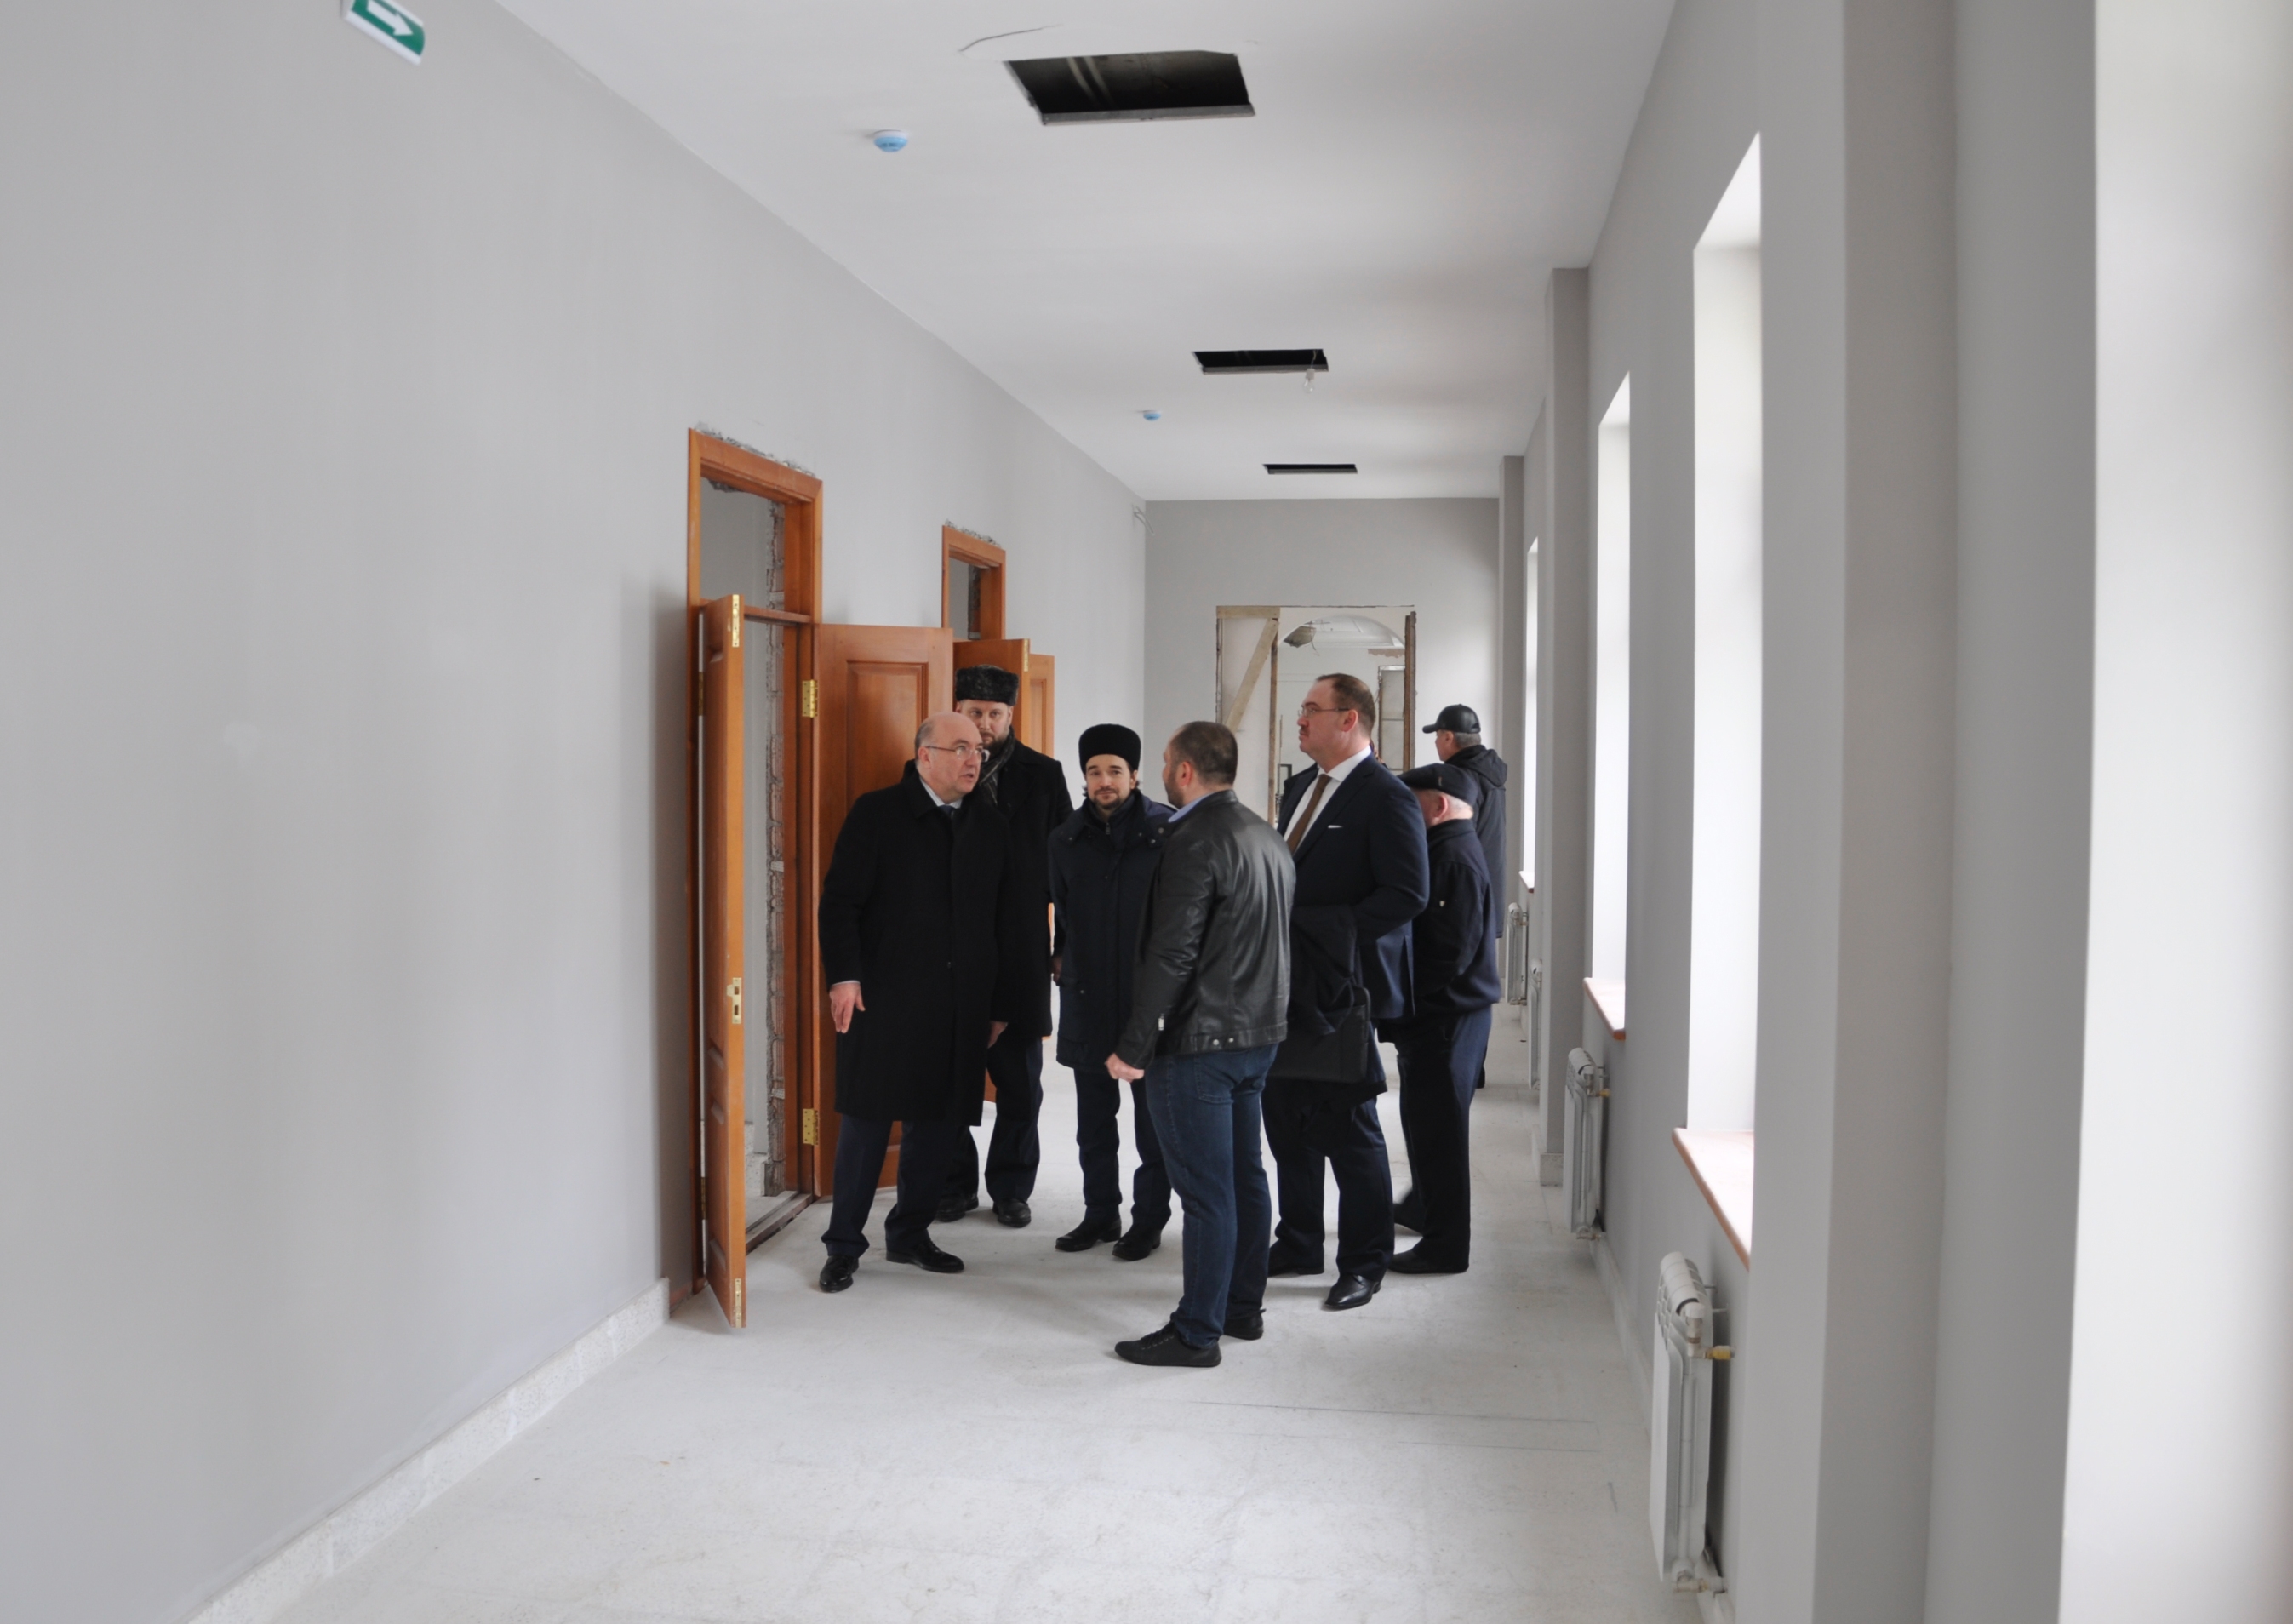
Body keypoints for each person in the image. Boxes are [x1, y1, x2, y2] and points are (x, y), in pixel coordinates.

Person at [814, 712, 1026, 1293]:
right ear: (924, 756)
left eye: (978, 749)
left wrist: (1000, 1004)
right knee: (866, 1126)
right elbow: (840, 904)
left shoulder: (990, 825)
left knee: (938, 1126)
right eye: (960, 748)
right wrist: (844, 978)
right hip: (881, 999)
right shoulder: (877, 813)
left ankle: (909, 1235)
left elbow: (1008, 921)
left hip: (960, 1004)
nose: (974, 758)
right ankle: (842, 1246)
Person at [1106, 721, 1293, 1366]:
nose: (1162, 772)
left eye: (1165, 762)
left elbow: (1173, 952)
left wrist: (1135, 1044)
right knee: (1244, 1177)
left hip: (1200, 1045)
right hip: (1257, 1036)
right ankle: (1241, 1308)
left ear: (1184, 771)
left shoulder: (1192, 840)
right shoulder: (1265, 835)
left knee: (1207, 1193)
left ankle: (1196, 1333)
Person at [1267, 674, 1430, 1312]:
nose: (1300, 719)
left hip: (1340, 984)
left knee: (1349, 1125)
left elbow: (1407, 894)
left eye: (1312, 709)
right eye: (1302, 708)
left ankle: (1364, 1262)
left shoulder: (1386, 796)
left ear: (1349, 720)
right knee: (1286, 1115)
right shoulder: (1300, 787)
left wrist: (1330, 932)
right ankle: (1298, 1241)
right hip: (1286, 980)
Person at [939, 664, 1074, 1229]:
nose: (985, 723)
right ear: (957, 712)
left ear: (1011, 715)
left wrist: (1065, 945)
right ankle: (953, 1185)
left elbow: (1070, 871)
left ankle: (1013, 1188)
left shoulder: (1044, 775)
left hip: (1021, 951)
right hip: (951, 954)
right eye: (974, 712)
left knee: (1020, 1084)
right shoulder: (934, 770)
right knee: (950, 1079)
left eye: (994, 714)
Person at [1047, 723, 1175, 1257]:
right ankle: (1100, 1214)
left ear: (1135, 775)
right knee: (1093, 1123)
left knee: (1153, 1124)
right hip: (1088, 997)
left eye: (1115, 771)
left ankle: (1148, 1220)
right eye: (1095, 771)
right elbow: (1064, 915)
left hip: (1148, 1002)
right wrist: (1062, 959)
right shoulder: (1065, 839)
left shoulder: (1166, 832)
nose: (1105, 781)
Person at [1386, 762, 1504, 1272]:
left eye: (1411, 803)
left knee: (1441, 1133)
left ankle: (1445, 1247)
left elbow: (1446, 954)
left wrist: (1400, 996)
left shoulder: (1453, 858)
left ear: (1438, 805)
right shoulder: (1444, 848)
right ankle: (1422, 1208)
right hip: (1442, 1014)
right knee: (1424, 1123)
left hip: (1449, 1017)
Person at [1423, 703, 1510, 895]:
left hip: (1467, 894)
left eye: (1437, 736)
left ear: (1448, 737)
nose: (1435, 742)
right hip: (1489, 891)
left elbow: (1455, 844)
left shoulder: (1461, 780)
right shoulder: (1489, 773)